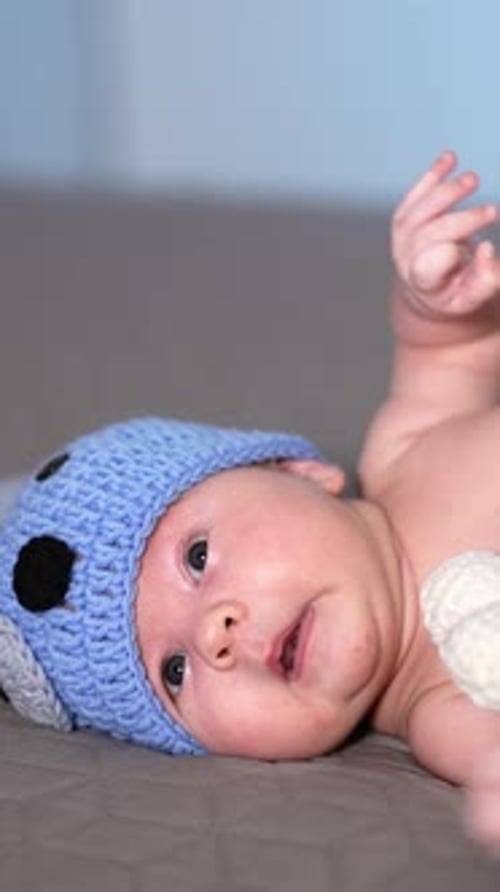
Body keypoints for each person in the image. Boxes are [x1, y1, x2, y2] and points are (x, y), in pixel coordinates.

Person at [1, 151, 500, 848]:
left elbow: (451, 353)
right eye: (173, 674)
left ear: (296, 471)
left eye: (198, 556)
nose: (216, 632)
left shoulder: (408, 448)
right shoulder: (443, 710)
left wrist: (435, 297)